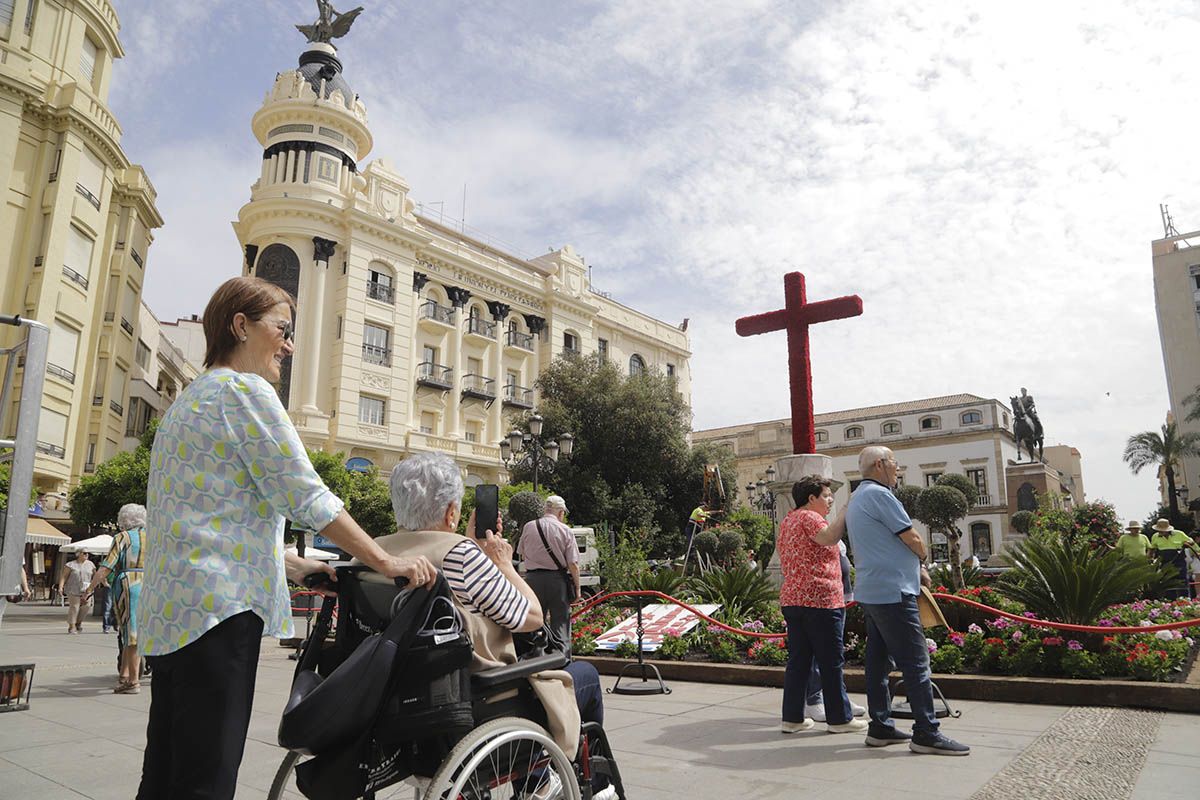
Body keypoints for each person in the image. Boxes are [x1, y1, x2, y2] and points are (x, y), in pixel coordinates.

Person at [136, 276, 437, 800]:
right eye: (282, 329)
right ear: (241, 326)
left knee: (165, 771)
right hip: (219, 615)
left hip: (173, 616)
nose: (289, 343)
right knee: (207, 779)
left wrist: (290, 564)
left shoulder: (189, 402)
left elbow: (201, 515)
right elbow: (307, 495)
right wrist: (384, 559)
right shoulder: (244, 391)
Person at [373, 453, 617, 800]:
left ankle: (536, 782)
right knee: (586, 677)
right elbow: (531, 618)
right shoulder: (460, 555)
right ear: (450, 512)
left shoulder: (373, 553)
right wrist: (504, 564)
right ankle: (585, 787)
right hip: (474, 705)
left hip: (394, 708)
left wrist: (472, 546)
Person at [846, 446, 970, 756]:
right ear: (880, 464)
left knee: (878, 661)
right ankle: (926, 731)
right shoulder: (881, 495)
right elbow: (911, 537)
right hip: (893, 591)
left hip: (872, 590)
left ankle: (880, 726)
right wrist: (923, 557)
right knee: (916, 661)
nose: (897, 470)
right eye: (895, 464)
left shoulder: (858, 497)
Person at [778, 475, 867, 735]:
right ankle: (840, 718)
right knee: (831, 662)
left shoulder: (788, 520)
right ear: (811, 498)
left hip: (794, 598)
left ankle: (792, 717)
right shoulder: (810, 518)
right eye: (826, 496)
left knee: (799, 662)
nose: (830, 500)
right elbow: (828, 538)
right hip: (820, 600)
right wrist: (844, 513)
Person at [83, 504, 147, 694]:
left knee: (131, 632)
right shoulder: (153, 537)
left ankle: (134, 681)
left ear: (123, 520)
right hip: (149, 583)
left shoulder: (122, 537)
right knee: (132, 632)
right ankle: (125, 676)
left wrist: (90, 588)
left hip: (128, 584)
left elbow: (106, 567)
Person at [804, 538, 865, 722]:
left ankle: (840, 699)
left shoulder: (828, 526)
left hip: (839, 596)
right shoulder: (812, 526)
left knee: (835, 653)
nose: (829, 506)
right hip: (824, 599)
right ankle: (813, 700)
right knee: (820, 653)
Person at [517, 495, 580, 655]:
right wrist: (577, 588)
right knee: (560, 623)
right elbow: (573, 563)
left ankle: (536, 658)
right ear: (560, 513)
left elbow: (522, 554)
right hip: (556, 580)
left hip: (532, 580)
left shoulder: (529, 527)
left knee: (535, 623)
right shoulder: (565, 530)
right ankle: (562, 659)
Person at [1149, 519, 1200, 601]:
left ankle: (1185, 601)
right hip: (1165, 564)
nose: (1160, 532)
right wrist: (1149, 559)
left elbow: (1192, 543)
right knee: (1168, 583)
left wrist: (1189, 544)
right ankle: (1170, 601)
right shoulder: (1155, 536)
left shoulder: (1179, 534)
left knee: (1182, 582)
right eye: (1159, 530)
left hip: (1179, 563)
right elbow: (1152, 549)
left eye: (1162, 530)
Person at [58, 549, 95, 634]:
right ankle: (72, 626)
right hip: (73, 589)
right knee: (74, 607)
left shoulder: (91, 564)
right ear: (78, 554)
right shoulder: (70, 565)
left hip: (86, 590)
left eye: (88, 553)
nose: (87, 555)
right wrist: (61, 587)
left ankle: (78, 622)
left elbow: (95, 576)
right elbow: (63, 576)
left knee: (86, 607)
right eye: (84, 553)